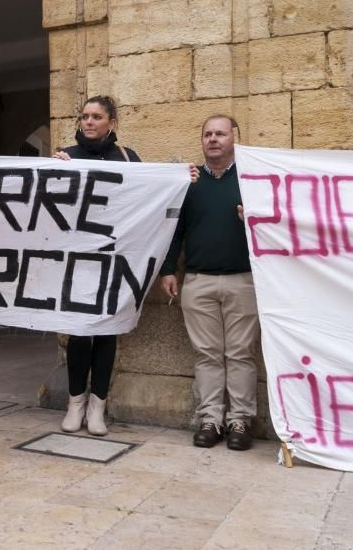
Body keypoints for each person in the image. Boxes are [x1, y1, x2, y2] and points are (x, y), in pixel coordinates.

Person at [53, 95, 197, 435]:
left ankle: (97, 407)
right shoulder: (66, 156)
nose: (88, 122)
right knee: (78, 332)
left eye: (96, 116)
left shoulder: (128, 158)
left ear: (111, 123)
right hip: (78, 258)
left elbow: (153, 192)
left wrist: (180, 178)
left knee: (106, 333)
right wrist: (52, 170)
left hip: (117, 258)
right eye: (84, 116)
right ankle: (75, 403)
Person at [158, 114, 259, 451]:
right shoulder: (189, 182)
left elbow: (278, 224)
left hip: (243, 280)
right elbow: (175, 229)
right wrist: (169, 268)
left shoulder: (252, 179)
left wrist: (254, 220)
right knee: (207, 355)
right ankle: (210, 419)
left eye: (220, 134)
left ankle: (241, 420)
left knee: (241, 355)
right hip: (198, 281)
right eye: (207, 134)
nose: (213, 139)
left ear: (235, 137)